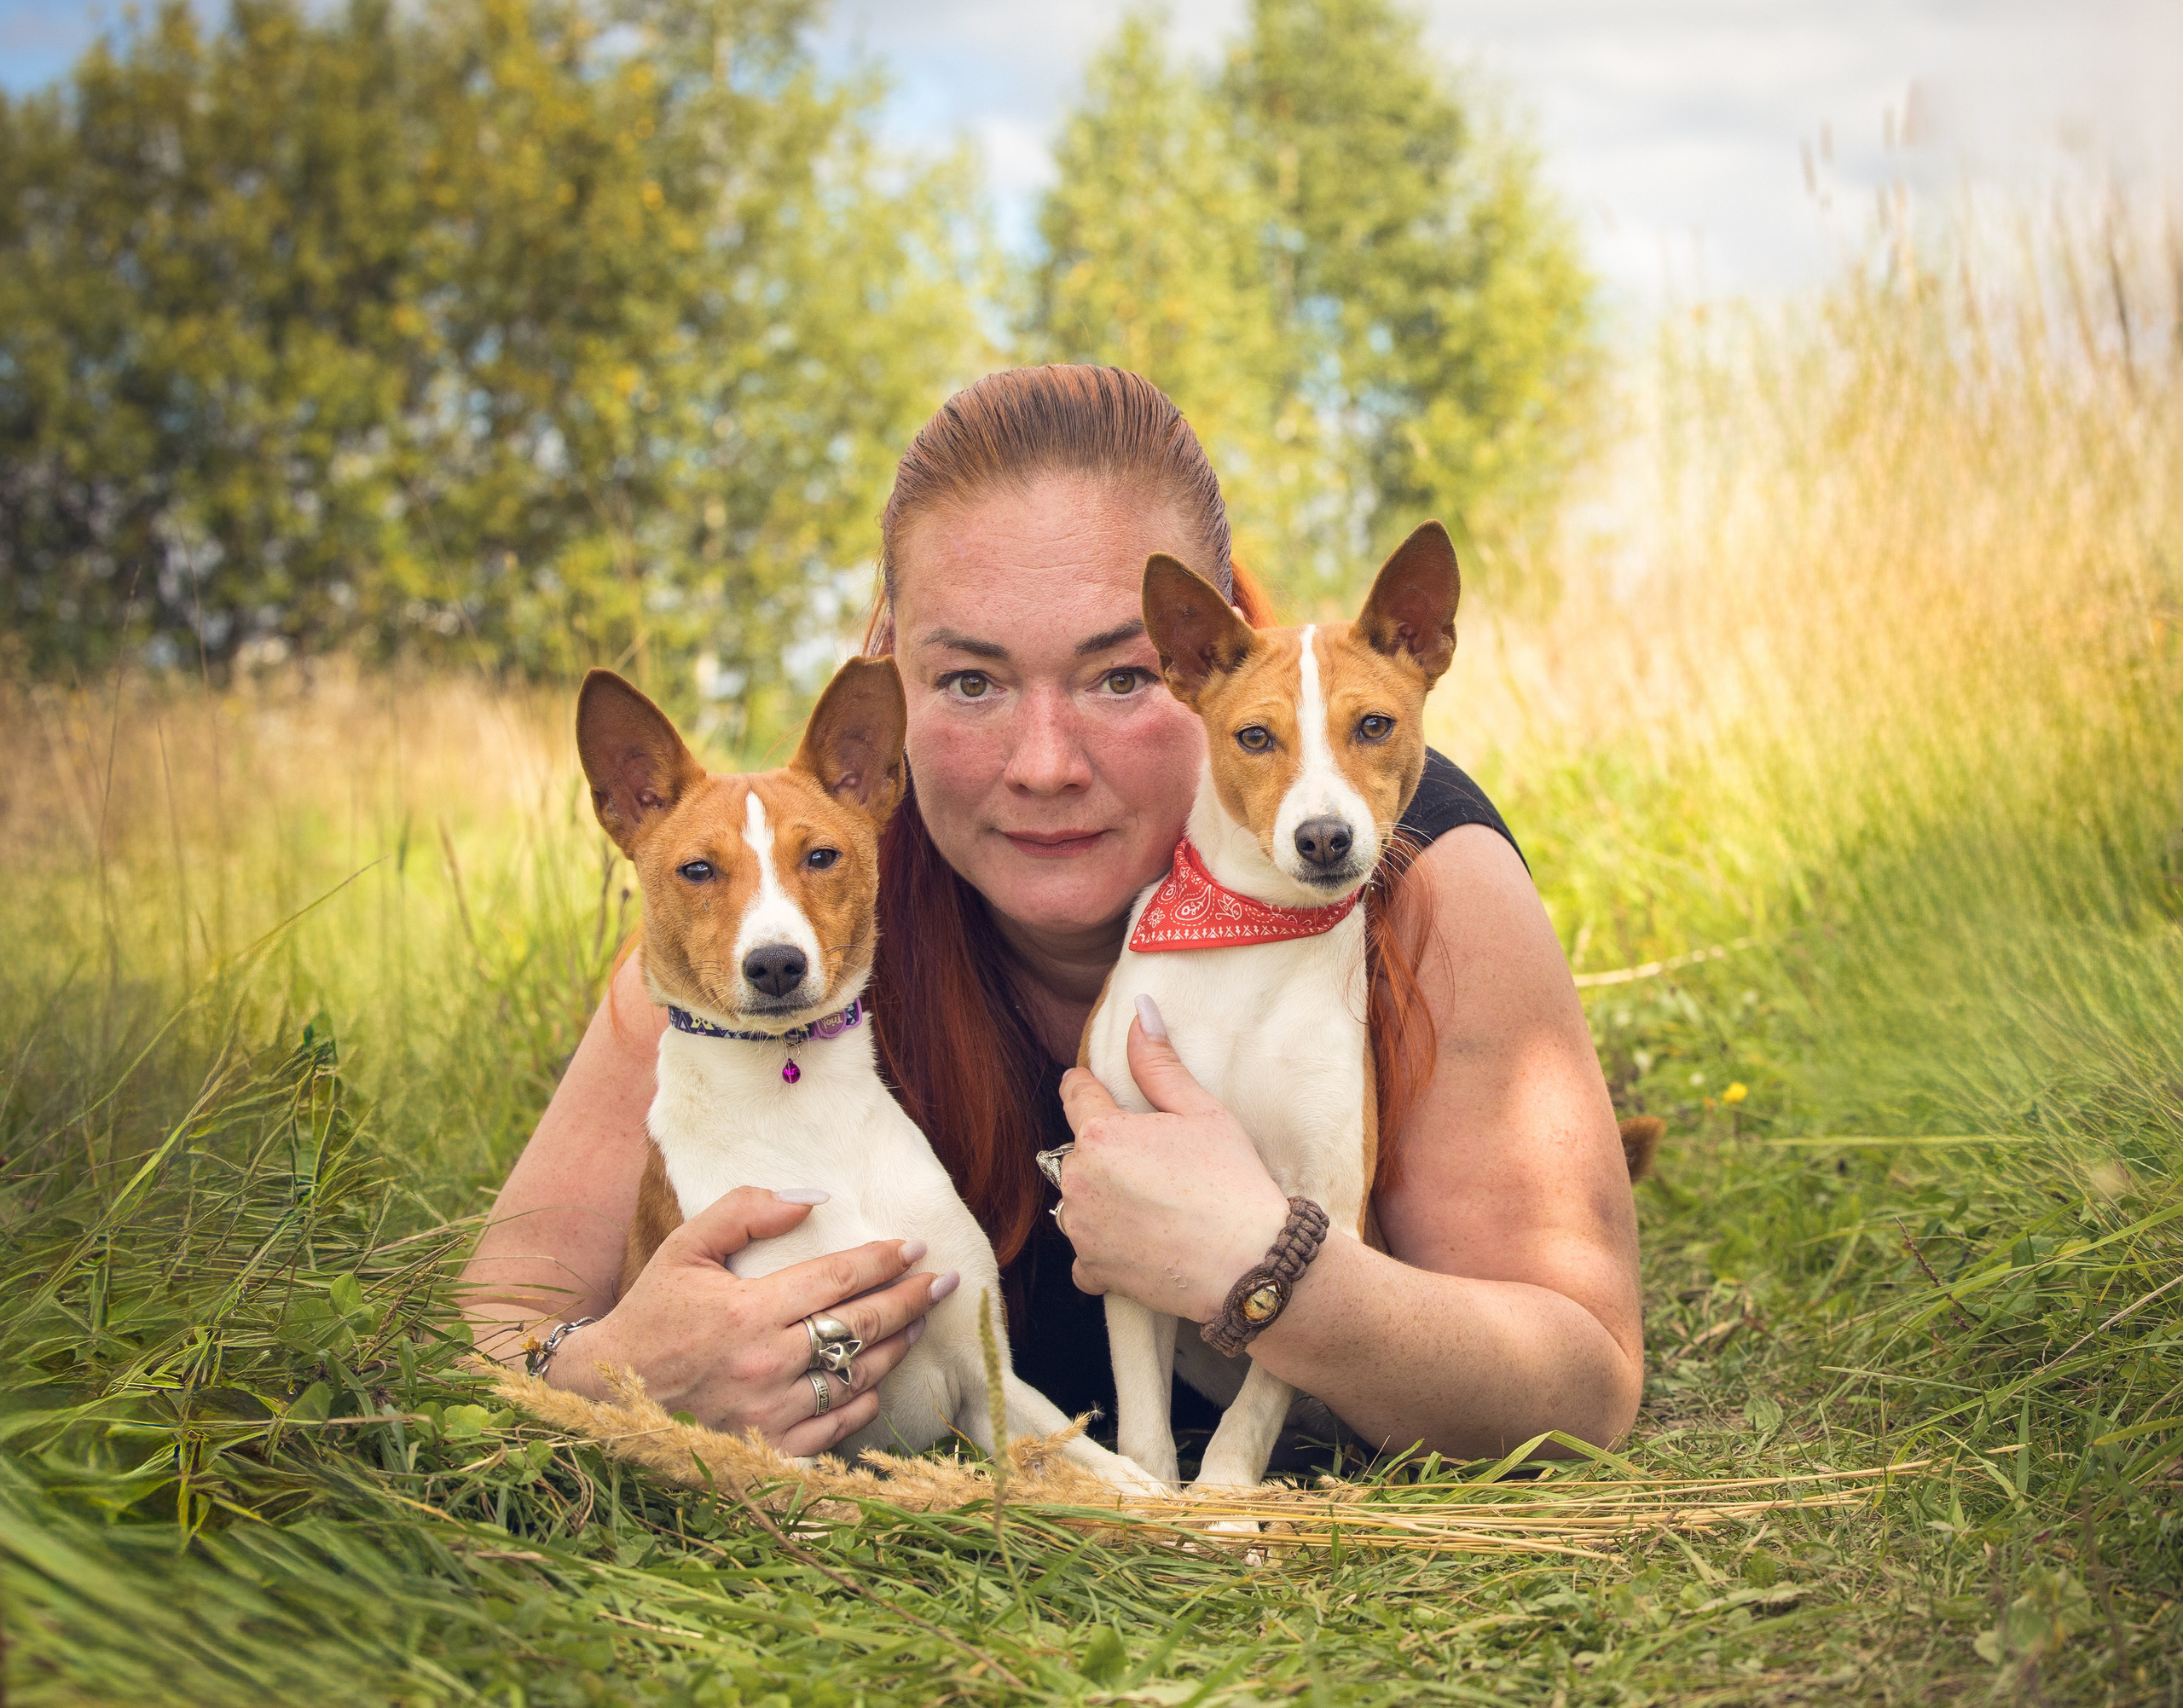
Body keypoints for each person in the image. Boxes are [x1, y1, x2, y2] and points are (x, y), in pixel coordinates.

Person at [464, 366, 1642, 1465]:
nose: (1040, 764)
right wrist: (613, 1376)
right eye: (969, 681)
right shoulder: (788, 903)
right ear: (894, 679)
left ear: (1206, 654)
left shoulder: (1408, 864)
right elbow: (497, 1320)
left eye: (1119, 676)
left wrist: (1276, 1269)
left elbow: (1584, 1384)